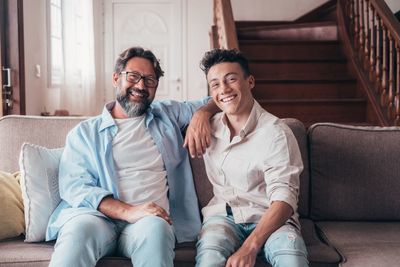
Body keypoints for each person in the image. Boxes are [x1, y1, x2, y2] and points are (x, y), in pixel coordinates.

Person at [46, 46, 217, 267]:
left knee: (157, 230)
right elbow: (76, 187)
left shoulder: (167, 114)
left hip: (148, 223)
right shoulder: (84, 133)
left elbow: (217, 98)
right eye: (133, 76)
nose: (141, 86)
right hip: (96, 219)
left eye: (149, 80)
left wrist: (203, 113)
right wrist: (128, 211)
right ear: (116, 78)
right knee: (77, 232)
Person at [195, 49, 309, 267]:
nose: (224, 89)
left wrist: (249, 247)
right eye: (215, 84)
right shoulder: (206, 128)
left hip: (272, 218)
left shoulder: (276, 133)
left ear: (250, 82)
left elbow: (284, 199)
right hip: (223, 216)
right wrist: (200, 113)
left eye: (231, 80)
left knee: (291, 257)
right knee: (209, 256)